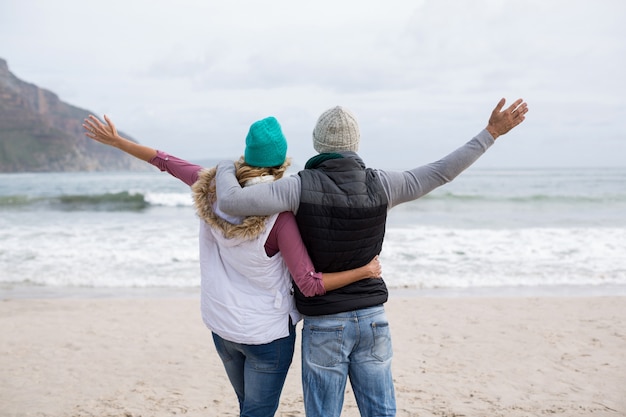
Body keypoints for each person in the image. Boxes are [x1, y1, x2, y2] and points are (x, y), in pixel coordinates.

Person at [213, 98, 529, 417]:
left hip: (325, 325)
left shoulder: (296, 188)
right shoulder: (384, 184)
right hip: (373, 320)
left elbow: (231, 200)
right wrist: (490, 133)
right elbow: (441, 173)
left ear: (317, 144)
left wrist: (226, 165)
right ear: (356, 144)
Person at [82, 114, 382, 417]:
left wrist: (118, 141)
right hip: (266, 336)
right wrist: (365, 271)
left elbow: (165, 161)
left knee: (248, 407)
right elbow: (309, 284)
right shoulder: (280, 217)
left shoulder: (213, 189)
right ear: (280, 164)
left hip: (223, 328)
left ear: (247, 155)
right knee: (256, 412)